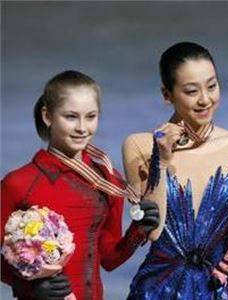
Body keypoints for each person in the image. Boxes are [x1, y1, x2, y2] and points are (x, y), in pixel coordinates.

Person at [1, 70, 160, 300]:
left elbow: (109, 260)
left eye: (91, 116)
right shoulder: (18, 183)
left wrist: (138, 230)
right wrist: (27, 286)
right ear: (47, 116)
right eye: (71, 117)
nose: (82, 128)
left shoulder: (108, 180)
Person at [122, 41, 228, 299]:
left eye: (212, 86)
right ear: (167, 94)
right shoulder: (139, 145)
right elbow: (152, 231)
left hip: (219, 287)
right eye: (191, 91)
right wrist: (160, 160)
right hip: (158, 289)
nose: (205, 99)